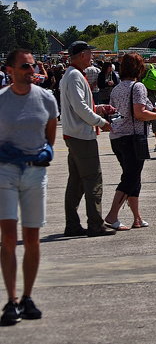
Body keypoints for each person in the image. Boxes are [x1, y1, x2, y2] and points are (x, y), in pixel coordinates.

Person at [0, 49, 58, 325]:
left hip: (35, 171)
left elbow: (50, 137)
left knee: (32, 238)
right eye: (24, 66)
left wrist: (40, 153)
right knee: (9, 237)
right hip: (6, 172)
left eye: (33, 66)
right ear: (10, 70)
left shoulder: (46, 99)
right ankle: (11, 300)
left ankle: (28, 296)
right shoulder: (1, 100)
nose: (30, 70)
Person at [59, 42, 114, 236]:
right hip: (81, 135)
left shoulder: (71, 75)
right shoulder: (74, 76)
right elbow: (80, 108)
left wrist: (98, 109)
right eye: (89, 54)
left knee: (76, 181)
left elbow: (79, 106)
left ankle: (72, 224)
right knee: (93, 179)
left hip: (74, 134)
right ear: (82, 55)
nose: (91, 58)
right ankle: (95, 224)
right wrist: (100, 121)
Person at [103, 53, 156, 231]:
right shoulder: (138, 87)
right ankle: (112, 215)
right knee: (130, 178)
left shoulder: (117, 89)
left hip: (117, 136)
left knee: (133, 177)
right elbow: (140, 113)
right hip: (133, 137)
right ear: (139, 68)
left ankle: (137, 217)